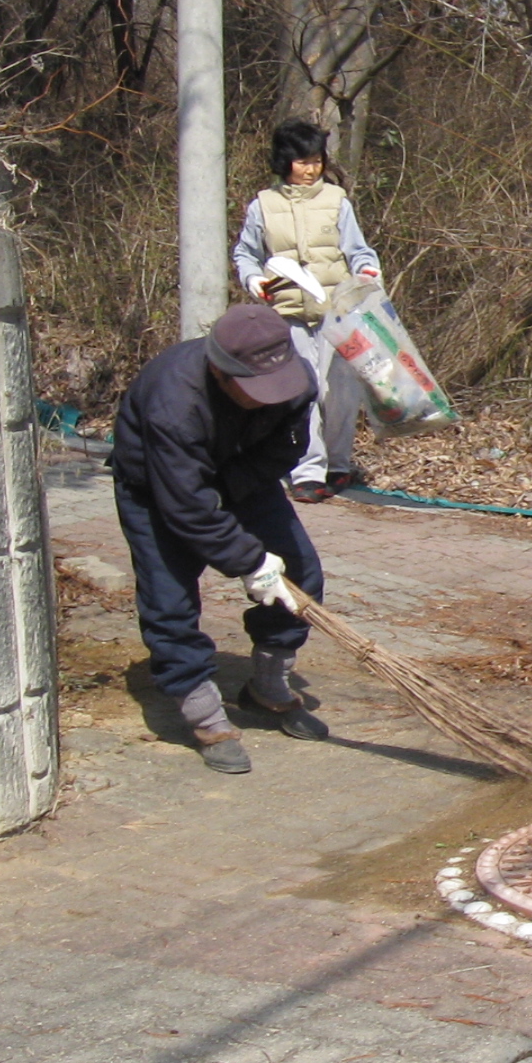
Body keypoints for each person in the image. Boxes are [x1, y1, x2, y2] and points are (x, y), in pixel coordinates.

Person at [111, 303, 331, 773]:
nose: (268, 399)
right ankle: (206, 717)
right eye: (255, 391)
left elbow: (282, 452)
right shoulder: (173, 402)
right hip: (155, 486)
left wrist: (235, 499)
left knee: (301, 575)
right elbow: (185, 505)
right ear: (220, 371)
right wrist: (248, 560)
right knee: (168, 600)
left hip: (239, 474)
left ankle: (267, 688)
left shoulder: (297, 383)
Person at [233, 120, 382, 503]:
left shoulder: (337, 201)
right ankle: (307, 470)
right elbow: (246, 254)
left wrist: (367, 271)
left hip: (338, 311)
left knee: (341, 393)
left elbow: (359, 251)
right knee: (304, 391)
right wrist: (253, 280)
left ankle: (339, 464)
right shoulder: (262, 206)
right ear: (285, 162)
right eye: (303, 162)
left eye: (316, 161)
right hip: (289, 312)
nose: (311, 169)